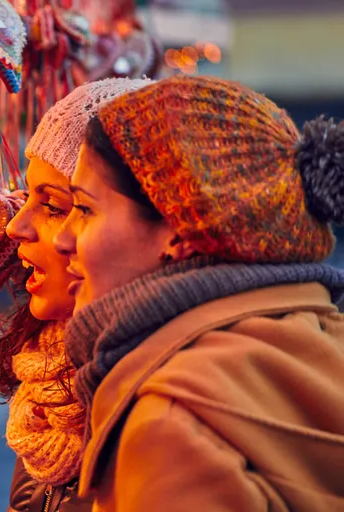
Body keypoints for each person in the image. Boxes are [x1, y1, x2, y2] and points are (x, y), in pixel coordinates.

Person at [53, 75, 344, 510]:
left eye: (83, 209)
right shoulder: (319, 340)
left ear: (179, 232)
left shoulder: (172, 425)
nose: (62, 239)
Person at [0, 78, 150, 512]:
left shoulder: (155, 403)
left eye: (55, 207)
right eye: (27, 197)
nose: (15, 227)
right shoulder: (48, 392)